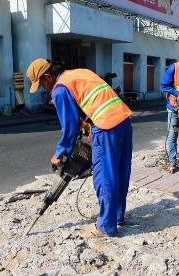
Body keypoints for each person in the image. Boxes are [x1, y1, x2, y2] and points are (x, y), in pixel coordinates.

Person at [26, 59, 133, 237]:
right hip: (123, 121)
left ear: (47, 76)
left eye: (42, 84)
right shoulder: (79, 73)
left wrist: (59, 153)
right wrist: (88, 123)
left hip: (106, 127)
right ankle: (117, 216)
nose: (44, 89)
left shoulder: (59, 89)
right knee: (120, 172)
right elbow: (94, 100)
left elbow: (69, 128)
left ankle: (106, 226)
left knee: (104, 177)